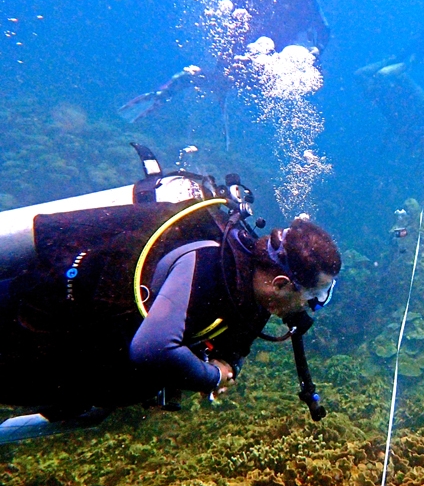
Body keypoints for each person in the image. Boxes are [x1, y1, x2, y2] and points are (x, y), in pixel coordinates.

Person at [0, 151, 341, 440]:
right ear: (281, 283)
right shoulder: (208, 263)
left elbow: (232, 348)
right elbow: (152, 347)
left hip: (73, 359)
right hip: (33, 320)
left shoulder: (255, 299)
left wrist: (226, 365)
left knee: (85, 412)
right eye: (315, 295)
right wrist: (212, 376)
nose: (312, 307)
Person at [119, 0, 330, 126]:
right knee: (223, 79)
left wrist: (314, 51)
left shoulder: (307, 0)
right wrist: (228, 61)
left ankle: (182, 89)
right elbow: (237, 26)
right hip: (249, 50)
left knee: (241, 82)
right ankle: (163, 94)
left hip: (271, 56)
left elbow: (323, 31)